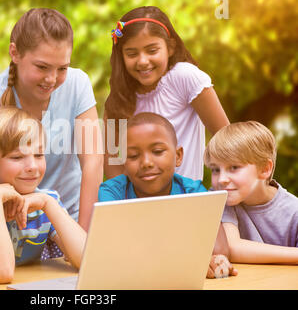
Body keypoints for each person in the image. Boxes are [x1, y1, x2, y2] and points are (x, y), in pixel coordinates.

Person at [0, 8, 103, 231]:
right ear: (15, 53)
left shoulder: (78, 84)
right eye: (42, 67)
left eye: (62, 68)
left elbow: (93, 162)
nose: (51, 79)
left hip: (71, 215)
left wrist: (84, 231)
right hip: (15, 221)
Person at [0, 107, 87, 283]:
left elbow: (88, 260)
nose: (32, 166)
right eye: (17, 157)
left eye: (39, 154)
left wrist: (48, 203)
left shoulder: (45, 201)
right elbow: (1, 273)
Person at [99, 112, 237, 278]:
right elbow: (115, 251)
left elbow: (219, 250)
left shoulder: (192, 192)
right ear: (124, 163)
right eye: (133, 156)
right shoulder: (112, 193)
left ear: (178, 156)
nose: (146, 163)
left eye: (157, 151)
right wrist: (191, 260)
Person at [104, 6, 229, 181]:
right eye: (132, 53)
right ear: (121, 56)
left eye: (152, 50)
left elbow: (225, 136)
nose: (142, 61)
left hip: (185, 199)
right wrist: (120, 197)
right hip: (138, 202)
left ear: (170, 47)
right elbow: (110, 157)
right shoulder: (118, 99)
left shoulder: (184, 77)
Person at [204, 121, 298, 264]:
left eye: (234, 167)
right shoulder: (220, 197)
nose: (222, 179)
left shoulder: (293, 211)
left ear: (265, 169)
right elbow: (231, 248)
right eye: (216, 169)